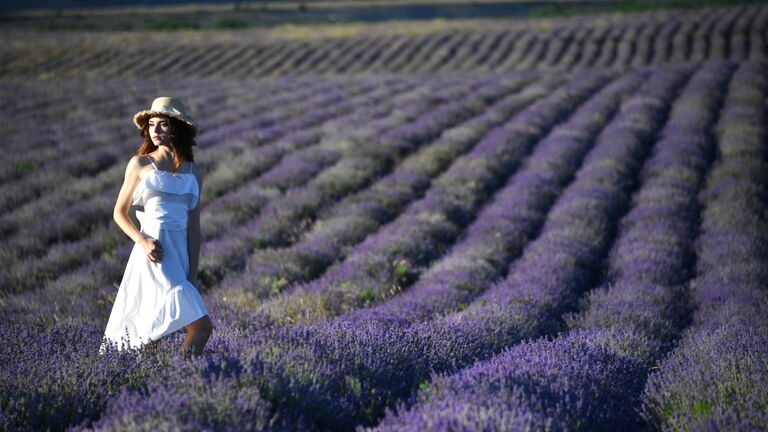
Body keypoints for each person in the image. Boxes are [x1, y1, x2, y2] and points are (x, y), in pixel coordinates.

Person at [100, 96, 213, 358]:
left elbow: (194, 229)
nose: (156, 130)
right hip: (154, 251)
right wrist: (143, 241)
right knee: (199, 327)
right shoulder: (140, 164)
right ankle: (175, 379)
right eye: (152, 125)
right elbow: (119, 212)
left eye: (162, 125)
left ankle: (162, 379)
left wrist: (193, 275)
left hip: (180, 253)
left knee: (157, 328)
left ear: (176, 128)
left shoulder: (195, 172)